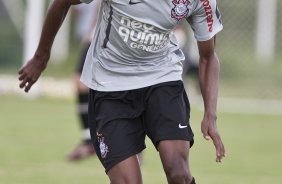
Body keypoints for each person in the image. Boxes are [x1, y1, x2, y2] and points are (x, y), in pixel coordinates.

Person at [19, 0, 226, 183]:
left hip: (162, 79)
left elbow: (208, 57)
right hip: (110, 85)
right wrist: (40, 57)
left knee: (178, 172)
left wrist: (211, 114)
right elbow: (61, 2)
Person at [67, 0, 101, 162]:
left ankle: (135, 150)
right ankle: (89, 140)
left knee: (82, 82)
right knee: (81, 83)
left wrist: (89, 32)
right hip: (95, 35)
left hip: (103, 37)